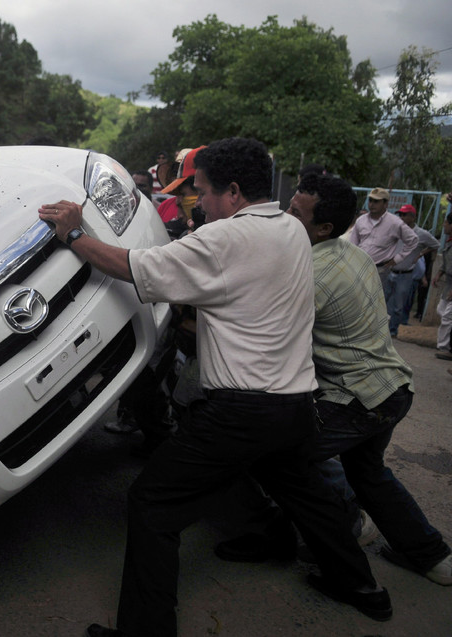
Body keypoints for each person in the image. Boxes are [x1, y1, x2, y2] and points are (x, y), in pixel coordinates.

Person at [39, 138, 389, 637]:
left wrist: (73, 233)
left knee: (153, 504)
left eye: (202, 192)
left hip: (242, 412)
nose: (198, 203)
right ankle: (362, 589)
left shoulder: (224, 240)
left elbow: (131, 267)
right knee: (308, 497)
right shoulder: (290, 227)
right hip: (294, 405)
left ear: (234, 191)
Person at [216, 174, 452, 587]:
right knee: (368, 474)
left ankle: (289, 540)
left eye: (294, 213)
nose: (283, 216)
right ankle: (432, 557)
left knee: (274, 458)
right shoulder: (354, 254)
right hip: (393, 389)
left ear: (324, 228)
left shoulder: (308, 273)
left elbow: (267, 335)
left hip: (357, 399)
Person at [348, 187, 418, 293]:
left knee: (373, 299)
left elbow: (413, 240)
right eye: (370, 200)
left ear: (385, 204)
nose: (371, 204)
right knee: (355, 296)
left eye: (376, 201)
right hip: (359, 266)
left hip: (380, 269)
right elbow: (353, 243)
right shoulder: (361, 220)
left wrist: (397, 259)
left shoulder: (394, 222)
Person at [387, 204, 439, 334]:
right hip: (389, 271)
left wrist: (420, 253)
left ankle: (393, 330)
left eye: (404, 215)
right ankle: (382, 329)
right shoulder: (396, 230)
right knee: (384, 302)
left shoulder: (421, 234)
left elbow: (436, 245)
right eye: (400, 215)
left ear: (412, 217)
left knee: (398, 306)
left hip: (405, 274)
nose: (402, 217)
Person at [434, 212, 452, 360]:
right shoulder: (449, 242)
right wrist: (439, 273)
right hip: (448, 283)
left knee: (447, 316)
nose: (444, 225)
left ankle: (445, 347)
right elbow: (447, 263)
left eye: (446, 223)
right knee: (441, 310)